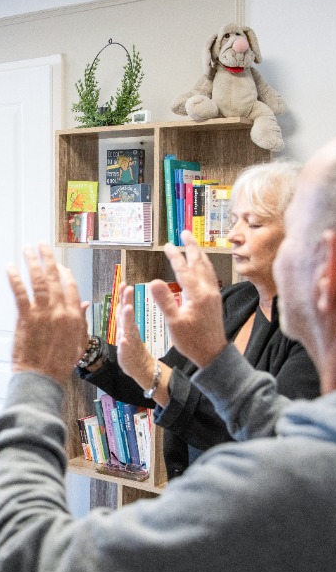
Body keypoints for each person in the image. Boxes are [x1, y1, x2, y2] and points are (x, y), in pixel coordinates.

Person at [0, 118, 336, 572]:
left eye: (284, 232)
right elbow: (287, 430)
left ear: (328, 267)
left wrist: (34, 378)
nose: (234, 237)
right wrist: (206, 362)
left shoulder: (277, 494)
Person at [77, 161, 319, 477]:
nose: (233, 236)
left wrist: (152, 373)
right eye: (234, 222)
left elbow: (265, 440)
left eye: (254, 223)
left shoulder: (315, 329)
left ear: (300, 234)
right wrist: (89, 351)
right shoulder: (234, 300)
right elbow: (159, 386)